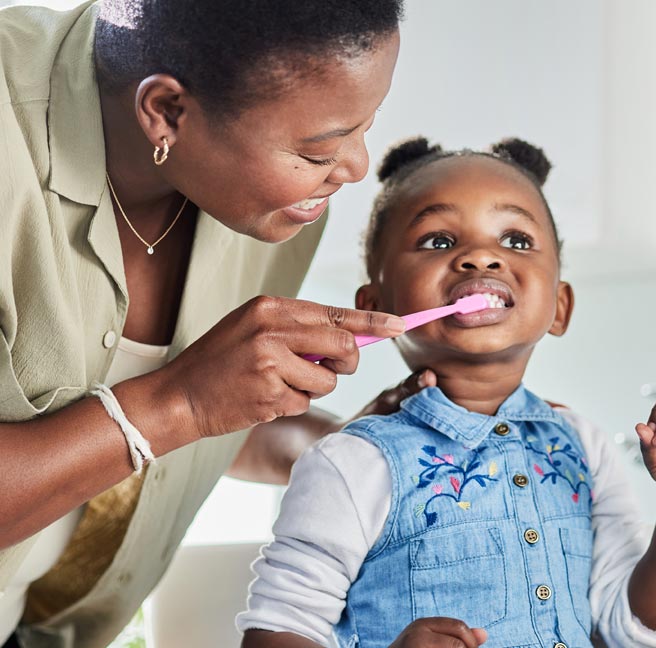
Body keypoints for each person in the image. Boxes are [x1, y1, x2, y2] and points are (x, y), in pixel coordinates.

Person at [0, 0, 438, 645]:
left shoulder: (267, 201)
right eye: (319, 149)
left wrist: (349, 456)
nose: (354, 167)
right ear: (167, 111)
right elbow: (178, 407)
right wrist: (179, 403)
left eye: (364, 125)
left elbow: (191, 431)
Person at [238, 137, 656, 648]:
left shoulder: (584, 448)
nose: (481, 256)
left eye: (516, 241)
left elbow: (633, 630)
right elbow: (277, 632)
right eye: (438, 241)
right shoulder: (350, 462)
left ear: (560, 307)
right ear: (376, 306)